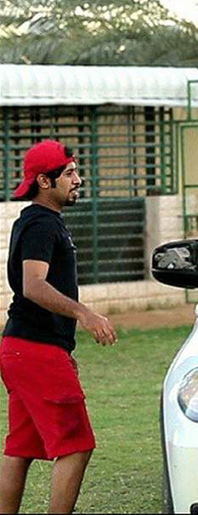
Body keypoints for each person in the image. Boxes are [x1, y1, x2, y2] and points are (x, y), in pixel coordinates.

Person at [0, 139, 118, 514]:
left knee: (20, 448)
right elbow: (33, 285)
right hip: (34, 350)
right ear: (44, 182)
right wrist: (84, 314)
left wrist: (61, 349)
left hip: (24, 349)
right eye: (68, 173)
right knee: (76, 445)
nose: (78, 179)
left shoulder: (40, 222)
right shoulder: (40, 224)